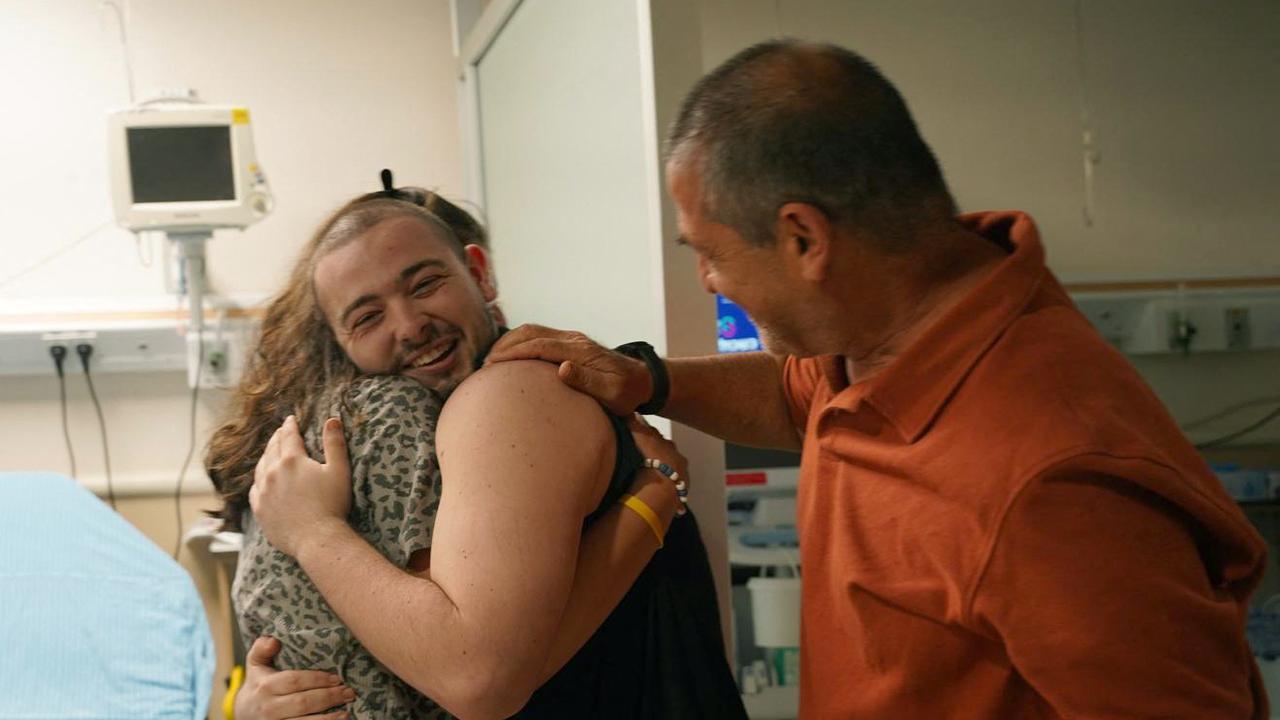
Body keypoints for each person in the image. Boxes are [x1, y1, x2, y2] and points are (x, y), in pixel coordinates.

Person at [485, 40, 1270, 718]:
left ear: (803, 237)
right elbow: (798, 396)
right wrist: (648, 380)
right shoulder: (893, 338)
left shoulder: (1052, 486)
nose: (708, 281)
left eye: (710, 252)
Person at [205, 183, 745, 718]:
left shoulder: (508, 397)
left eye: (425, 284)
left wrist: (312, 533)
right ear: (339, 343)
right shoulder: (384, 437)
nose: (411, 326)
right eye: (368, 316)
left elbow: (476, 677)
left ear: (479, 274)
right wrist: (257, 703)